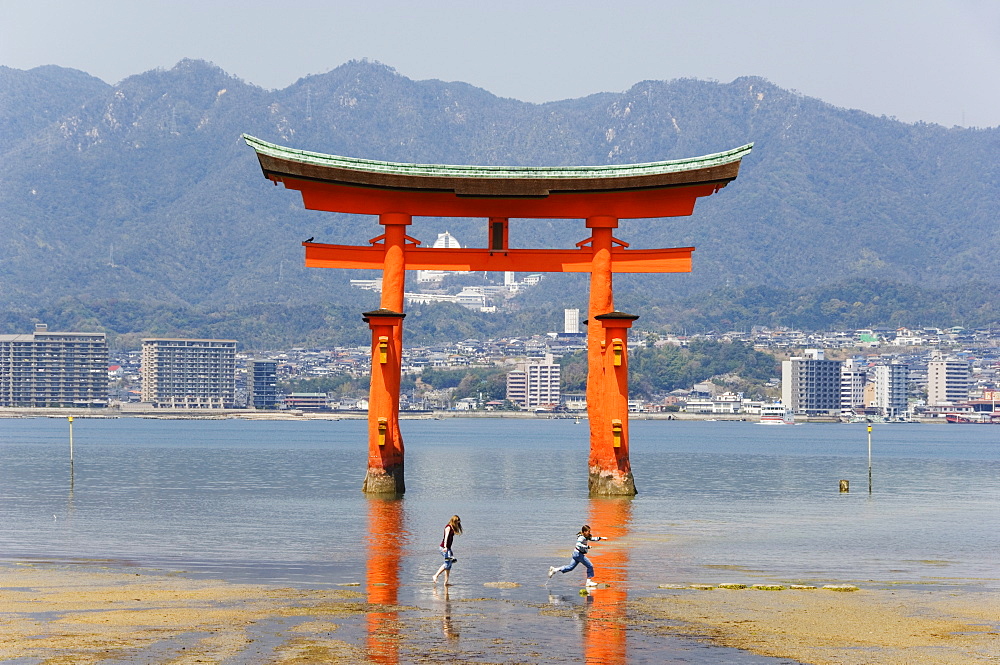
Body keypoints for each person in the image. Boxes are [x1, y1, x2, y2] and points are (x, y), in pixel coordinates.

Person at [432, 515, 463, 585]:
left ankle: (446, 582)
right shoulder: (448, 527)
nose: (458, 524)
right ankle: (435, 575)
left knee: (449, 565)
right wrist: (445, 547)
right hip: (443, 548)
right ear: (453, 521)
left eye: (458, 522)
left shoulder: (453, 527)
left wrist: (449, 549)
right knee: (447, 564)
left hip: (448, 549)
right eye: (457, 522)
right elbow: (445, 538)